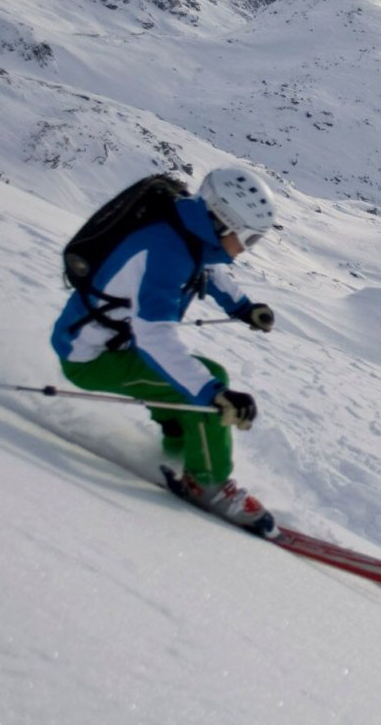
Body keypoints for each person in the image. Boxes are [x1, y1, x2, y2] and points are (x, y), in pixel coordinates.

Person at [51, 166, 280, 534]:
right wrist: (212, 394)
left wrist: (242, 307)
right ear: (224, 221)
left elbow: (209, 269)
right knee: (205, 384)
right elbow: (153, 337)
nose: (246, 249)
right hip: (92, 358)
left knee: (188, 383)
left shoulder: (187, 230)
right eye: (249, 239)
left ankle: (178, 452)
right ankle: (207, 484)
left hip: (106, 344)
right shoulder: (166, 251)